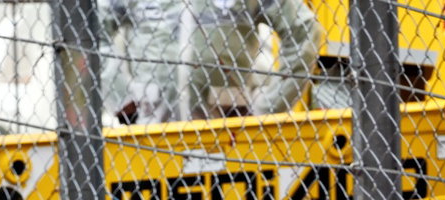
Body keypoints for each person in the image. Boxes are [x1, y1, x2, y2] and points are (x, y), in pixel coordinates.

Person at [102, 0, 320, 124]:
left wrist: (269, 107)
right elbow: (92, 29)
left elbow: (305, 32)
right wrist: (122, 98)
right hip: (151, 125)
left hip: (227, 134)